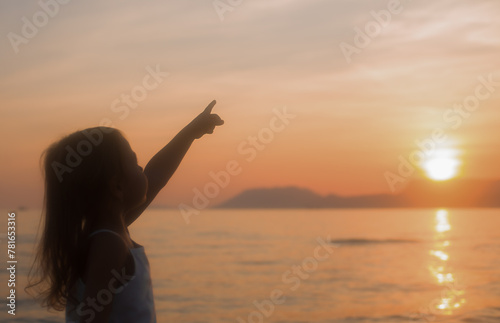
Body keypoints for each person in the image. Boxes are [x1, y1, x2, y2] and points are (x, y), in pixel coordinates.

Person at [25, 100, 224, 322]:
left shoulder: (110, 230)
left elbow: (156, 176)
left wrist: (190, 133)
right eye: (135, 162)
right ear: (117, 186)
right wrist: (191, 132)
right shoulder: (109, 244)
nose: (142, 169)